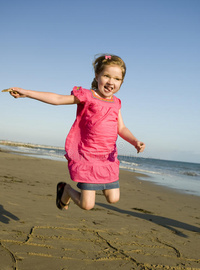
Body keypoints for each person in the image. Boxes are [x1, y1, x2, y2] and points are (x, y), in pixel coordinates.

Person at [8, 54, 145, 211]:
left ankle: (69, 191)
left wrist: (135, 141)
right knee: (87, 205)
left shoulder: (116, 103)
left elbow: (121, 128)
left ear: (121, 82)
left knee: (114, 198)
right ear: (97, 75)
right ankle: (65, 190)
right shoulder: (87, 96)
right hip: (87, 157)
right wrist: (27, 93)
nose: (110, 82)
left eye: (116, 79)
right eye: (106, 76)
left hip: (107, 158)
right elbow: (58, 99)